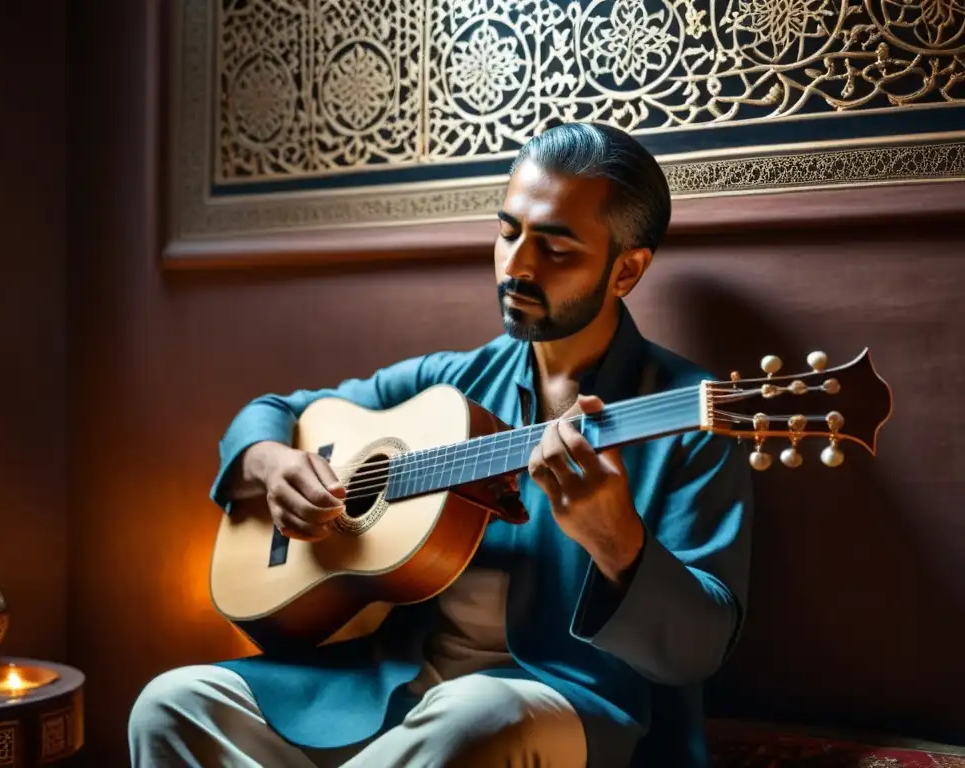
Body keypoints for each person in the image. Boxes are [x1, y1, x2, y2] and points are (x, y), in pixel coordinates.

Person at [128, 122, 754, 768]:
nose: (518, 265)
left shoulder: (689, 417)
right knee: (169, 703)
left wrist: (619, 542)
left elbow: (702, 644)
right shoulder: (450, 385)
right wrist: (272, 463)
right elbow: (273, 414)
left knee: (476, 716)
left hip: (571, 704)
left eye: (556, 249)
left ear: (626, 269)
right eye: (508, 231)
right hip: (399, 690)